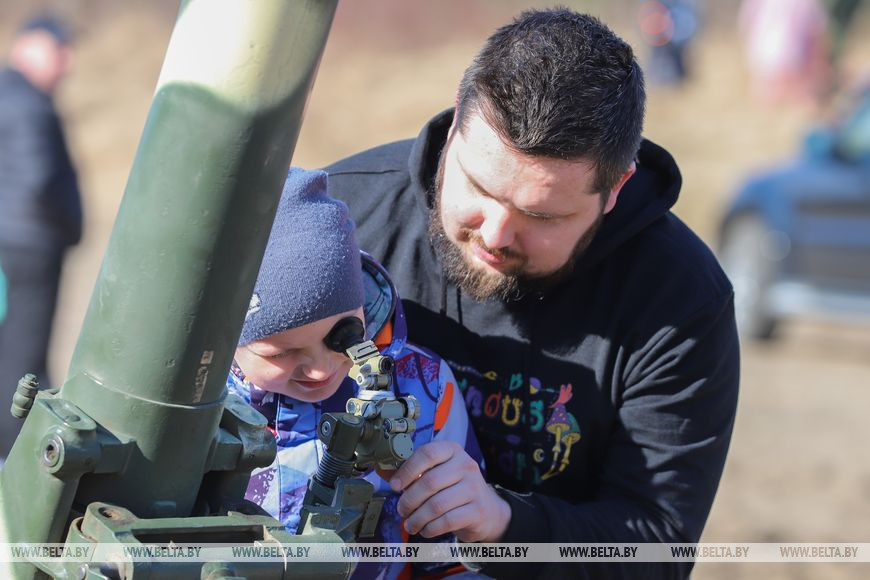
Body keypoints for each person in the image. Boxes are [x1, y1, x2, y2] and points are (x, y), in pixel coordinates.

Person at [323, 8, 740, 579]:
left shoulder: (677, 302)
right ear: (458, 119)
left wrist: (504, 524)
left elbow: (656, 548)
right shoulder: (338, 222)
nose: (494, 233)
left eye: (540, 215)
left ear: (615, 189)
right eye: (478, 186)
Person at [226, 168, 482, 579]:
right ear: (225, 336)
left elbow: (453, 559)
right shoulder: (200, 407)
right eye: (283, 352)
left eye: (341, 335)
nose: (319, 368)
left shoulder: (424, 387)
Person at [0, 16, 82, 460]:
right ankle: (19, 455)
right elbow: (39, 179)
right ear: (27, 47)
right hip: (29, 248)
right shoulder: (28, 103)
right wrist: (66, 226)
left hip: (11, 246)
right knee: (24, 356)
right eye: (58, 50)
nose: (66, 63)